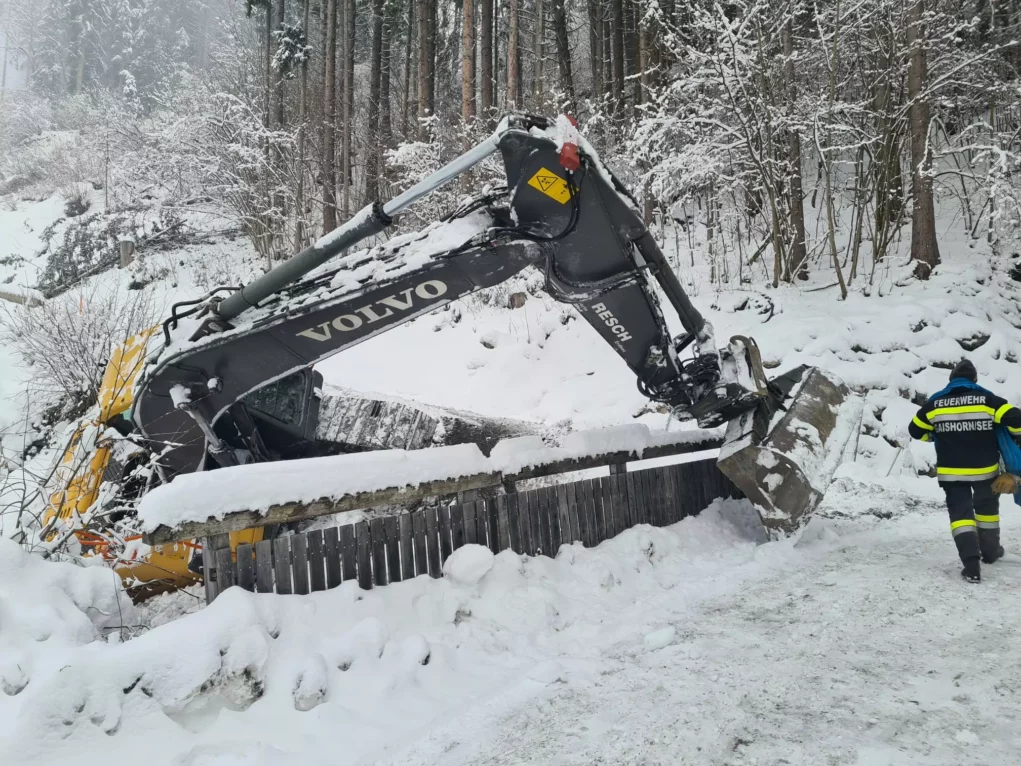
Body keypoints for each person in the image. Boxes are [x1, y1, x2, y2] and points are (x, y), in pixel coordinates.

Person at [908, 359, 1021, 582]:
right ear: (974, 380)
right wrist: (1013, 435)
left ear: (951, 380)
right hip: (985, 472)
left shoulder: (935, 403)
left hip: (952, 473)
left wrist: (934, 434)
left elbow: (915, 430)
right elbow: (1017, 418)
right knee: (986, 512)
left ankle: (971, 566)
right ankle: (990, 553)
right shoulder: (987, 400)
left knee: (961, 516)